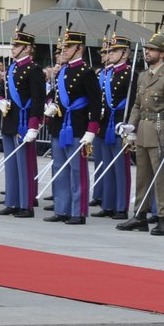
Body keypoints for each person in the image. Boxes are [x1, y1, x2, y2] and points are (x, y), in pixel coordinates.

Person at [117, 31, 164, 234]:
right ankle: (140, 214)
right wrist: (131, 125)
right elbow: (137, 104)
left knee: (161, 177)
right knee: (142, 176)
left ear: (163, 54)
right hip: (144, 130)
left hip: (159, 130)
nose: (147, 52)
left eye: (152, 50)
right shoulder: (143, 76)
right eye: (147, 49)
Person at [44, 27, 104, 224]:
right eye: (64, 47)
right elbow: (55, 95)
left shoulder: (86, 73)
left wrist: (91, 130)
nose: (64, 50)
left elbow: (96, 103)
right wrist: (50, 105)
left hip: (78, 127)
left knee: (77, 171)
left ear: (80, 48)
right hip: (60, 125)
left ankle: (78, 212)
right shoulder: (63, 71)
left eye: (68, 47)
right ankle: (62, 209)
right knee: (60, 168)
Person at [0, 26, 47, 218]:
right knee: (11, 164)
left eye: (17, 45)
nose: (13, 48)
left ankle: (26, 204)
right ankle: (12, 201)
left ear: (27, 48)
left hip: (24, 123)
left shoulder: (34, 70)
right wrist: (0, 100)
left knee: (24, 165)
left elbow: (38, 100)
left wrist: (34, 126)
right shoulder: (11, 68)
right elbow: (1, 88)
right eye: (14, 44)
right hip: (10, 120)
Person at [93, 35, 135, 219]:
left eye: (114, 51)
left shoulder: (130, 74)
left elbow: (134, 103)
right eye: (108, 51)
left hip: (119, 124)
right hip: (105, 124)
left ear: (124, 54)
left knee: (121, 169)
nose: (109, 55)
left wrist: (130, 126)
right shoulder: (106, 74)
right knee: (107, 166)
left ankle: (121, 207)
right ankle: (108, 204)